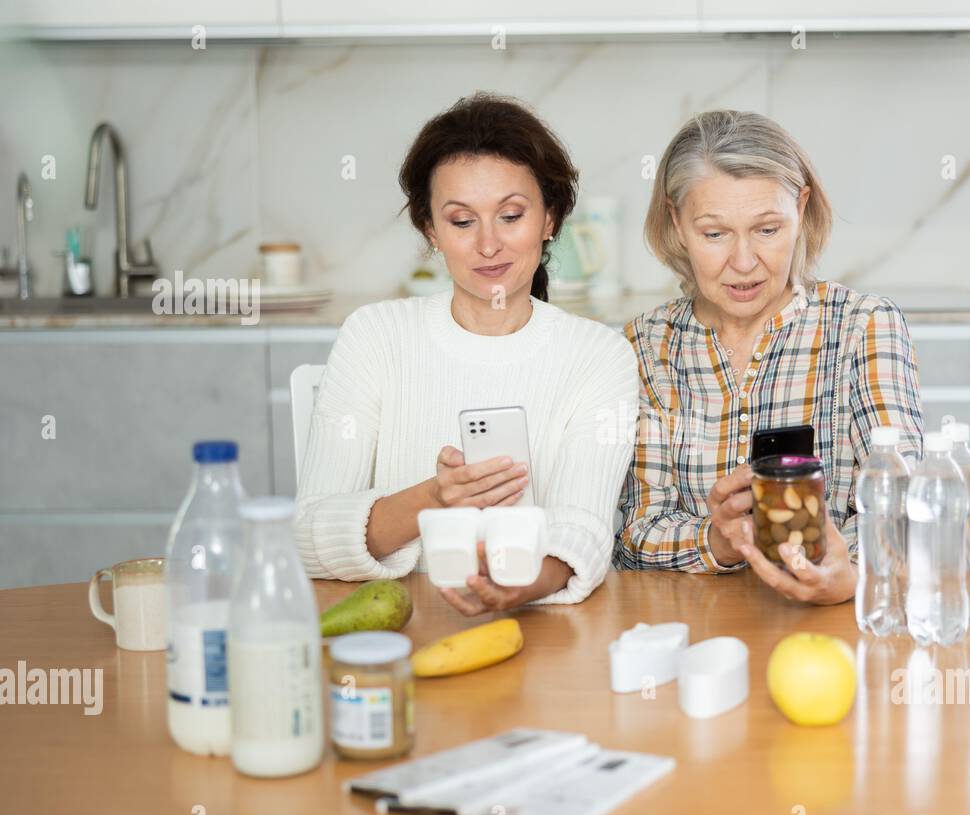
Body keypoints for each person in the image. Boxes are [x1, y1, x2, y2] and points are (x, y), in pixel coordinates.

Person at [296, 93, 637, 615]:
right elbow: (308, 534)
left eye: (511, 215)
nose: (488, 244)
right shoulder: (375, 335)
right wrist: (435, 499)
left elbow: (583, 531)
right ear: (430, 231)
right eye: (461, 221)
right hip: (392, 628)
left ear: (550, 219)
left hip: (536, 626)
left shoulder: (598, 355)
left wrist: (520, 585)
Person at [615, 109, 924, 605]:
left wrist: (846, 573)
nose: (742, 262)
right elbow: (635, 536)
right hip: (698, 635)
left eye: (767, 229)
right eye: (714, 234)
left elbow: (903, 515)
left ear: (800, 209)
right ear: (676, 222)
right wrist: (719, 540)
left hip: (831, 630)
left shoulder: (863, 327)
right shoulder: (646, 345)